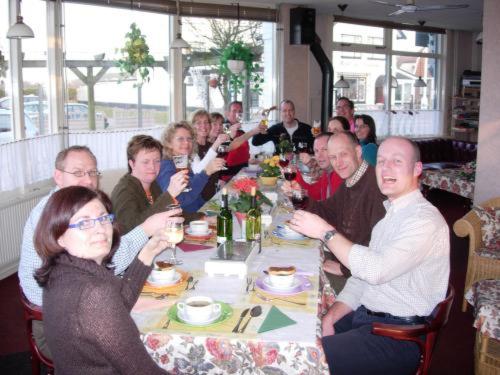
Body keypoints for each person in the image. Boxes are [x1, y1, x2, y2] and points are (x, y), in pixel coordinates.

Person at [290, 136, 450, 374]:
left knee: (301, 358)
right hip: (367, 317)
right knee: (301, 330)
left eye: (397, 161)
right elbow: (360, 279)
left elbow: (375, 270)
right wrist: (331, 316)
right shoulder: (392, 214)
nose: (386, 168)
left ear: (417, 169)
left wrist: (325, 232)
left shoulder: (424, 220)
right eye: (382, 161)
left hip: (397, 336)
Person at [18, 145, 179, 359]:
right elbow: (110, 263)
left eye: (93, 172)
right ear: (58, 176)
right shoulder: (53, 216)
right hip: (58, 327)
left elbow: (105, 262)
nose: (88, 180)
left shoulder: (80, 207)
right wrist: (146, 228)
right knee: (161, 329)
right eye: (78, 173)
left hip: (83, 305)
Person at [35, 186, 169, 374]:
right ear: (59, 236)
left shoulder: (61, 272)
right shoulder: (93, 292)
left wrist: (148, 252)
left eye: (103, 218)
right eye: (84, 223)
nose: (100, 229)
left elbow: (116, 305)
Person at [299, 132, 386, 292]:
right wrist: (300, 197)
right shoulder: (351, 182)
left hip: (361, 279)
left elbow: (379, 245)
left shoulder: (375, 186)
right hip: (346, 259)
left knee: (302, 284)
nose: (338, 163)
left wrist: (345, 269)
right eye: (333, 157)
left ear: (358, 152)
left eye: (343, 154)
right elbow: (327, 211)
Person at [111, 135, 200, 234]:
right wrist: (169, 194)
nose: (152, 167)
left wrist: (201, 218)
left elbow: (170, 214)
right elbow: (131, 230)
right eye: (146, 162)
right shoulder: (124, 191)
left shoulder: (153, 184)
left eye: (157, 161)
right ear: (132, 164)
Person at [157, 121, 225, 213]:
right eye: (180, 139)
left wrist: (210, 209)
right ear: (169, 143)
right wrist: (206, 172)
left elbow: (195, 195)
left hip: (198, 213)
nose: (186, 142)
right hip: (184, 221)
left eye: (189, 139)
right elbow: (179, 201)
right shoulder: (166, 166)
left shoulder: (182, 163)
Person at [281, 132, 342, 201]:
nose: (319, 155)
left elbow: (329, 209)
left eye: (324, 149)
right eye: (316, 151)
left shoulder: (340, 176)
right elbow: (313, 193)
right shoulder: (327, 172)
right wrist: (296, 174)